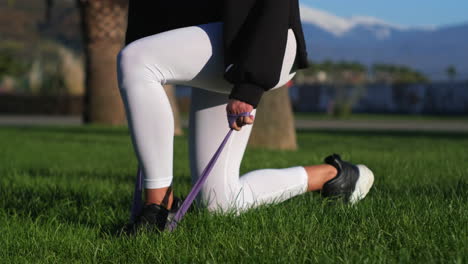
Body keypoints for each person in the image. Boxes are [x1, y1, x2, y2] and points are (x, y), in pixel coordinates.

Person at [117, 0, 374, 232]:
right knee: (220, 203)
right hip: (213, 44)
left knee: (136, 60)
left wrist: (250, 82)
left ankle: (158, 211)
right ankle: (336, 176)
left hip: (263, 43)